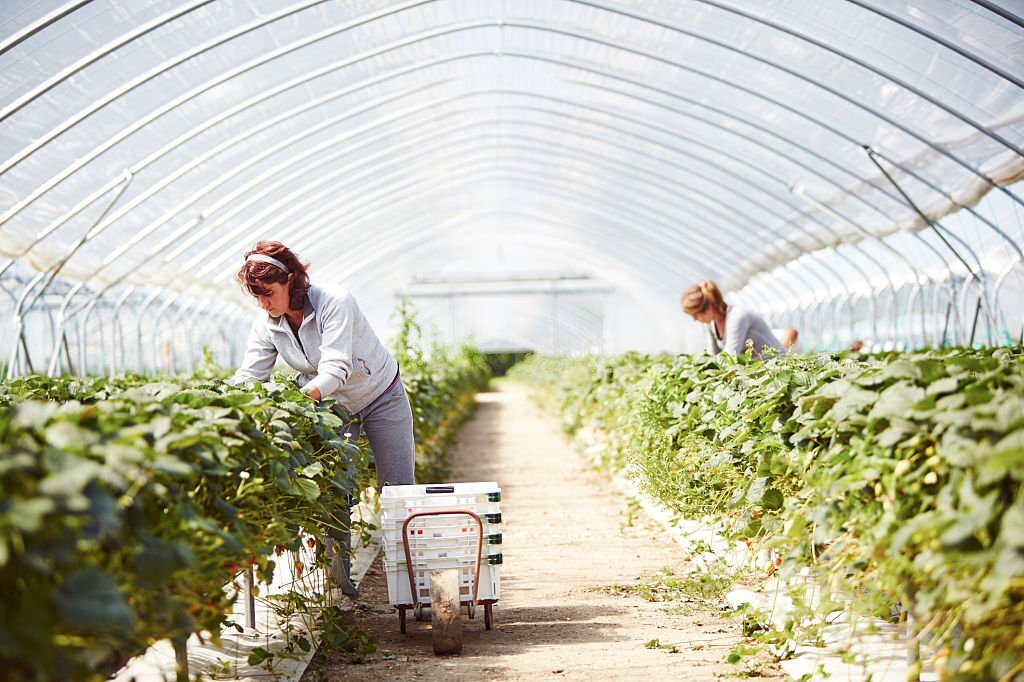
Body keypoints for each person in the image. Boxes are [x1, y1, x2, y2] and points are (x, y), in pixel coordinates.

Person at [230, 241, 416, 598]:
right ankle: (340, 590)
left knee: (397, 491)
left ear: (291, 280)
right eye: (256, 297)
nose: (263, 303)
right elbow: (250, 376)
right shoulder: (267, 323)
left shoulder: (335, 301)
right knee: (334, 490)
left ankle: (410, 584)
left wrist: (296, 403)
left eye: (268, 293)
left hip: (380, 394)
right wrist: (228, 404)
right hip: (333, 408)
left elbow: (336, 368)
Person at [680, 280, 784, 359]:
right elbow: (712, 356)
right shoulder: (711, 324)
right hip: (757, 370)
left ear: (708, 309)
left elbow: (730, 357)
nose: (694, 319)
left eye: (695, 315)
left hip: (776, 364)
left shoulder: (738, 317)